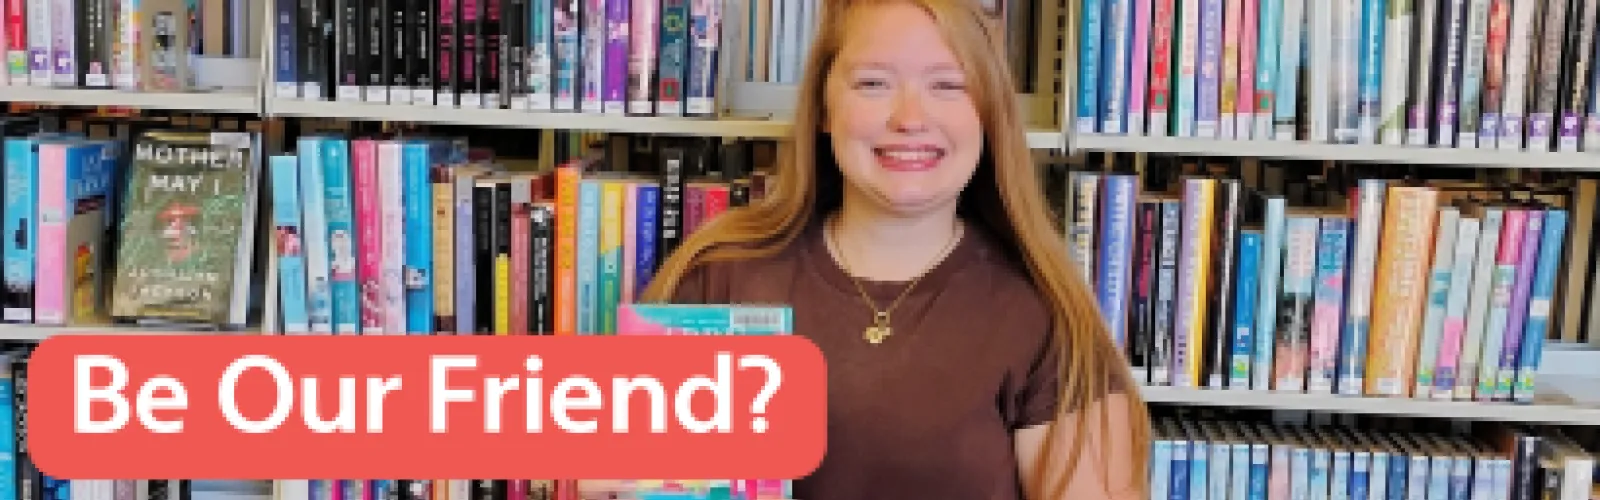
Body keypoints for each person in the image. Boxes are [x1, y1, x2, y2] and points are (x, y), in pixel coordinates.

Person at [639, 0, 1152, 498]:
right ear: (822, 106)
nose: (910, 117)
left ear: (989, 113)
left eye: (948, 85)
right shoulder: (719, 277)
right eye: (873, 84)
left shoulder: (1043, 313)